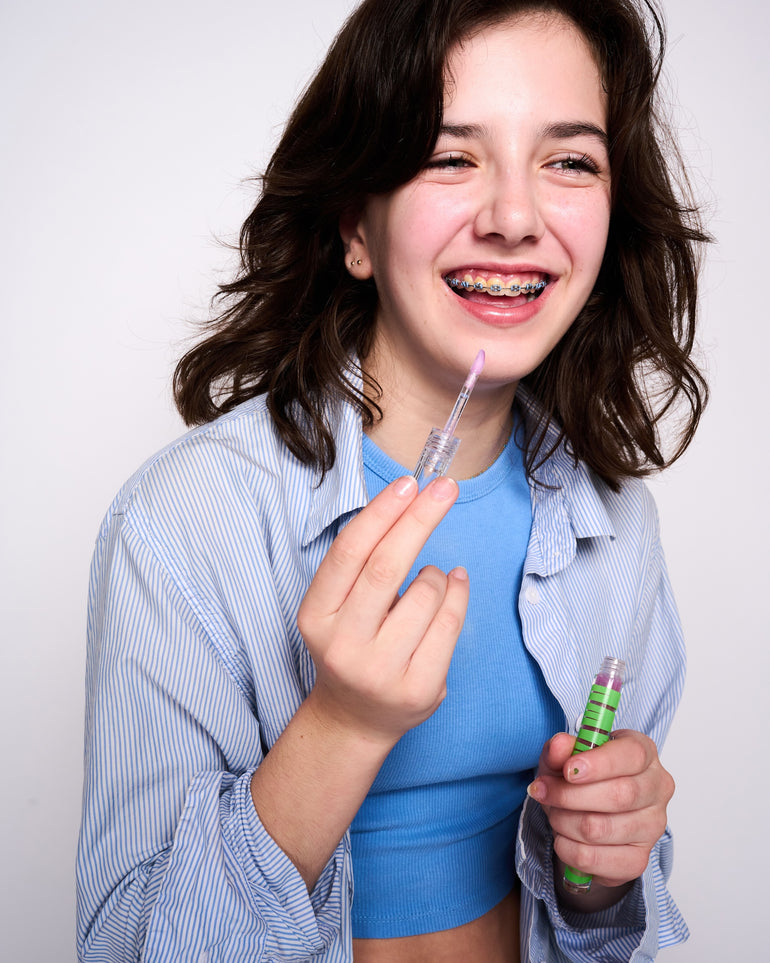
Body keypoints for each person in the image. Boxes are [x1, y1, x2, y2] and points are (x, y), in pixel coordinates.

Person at [76, 0, 708, 960]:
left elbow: (601, 919)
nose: (514, 217)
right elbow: (123, 948)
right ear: (356, 230)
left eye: (570, 160)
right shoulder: (183, 523)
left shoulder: (615, 526)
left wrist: (602, 873)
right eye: (451, 156)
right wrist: (341, 723)